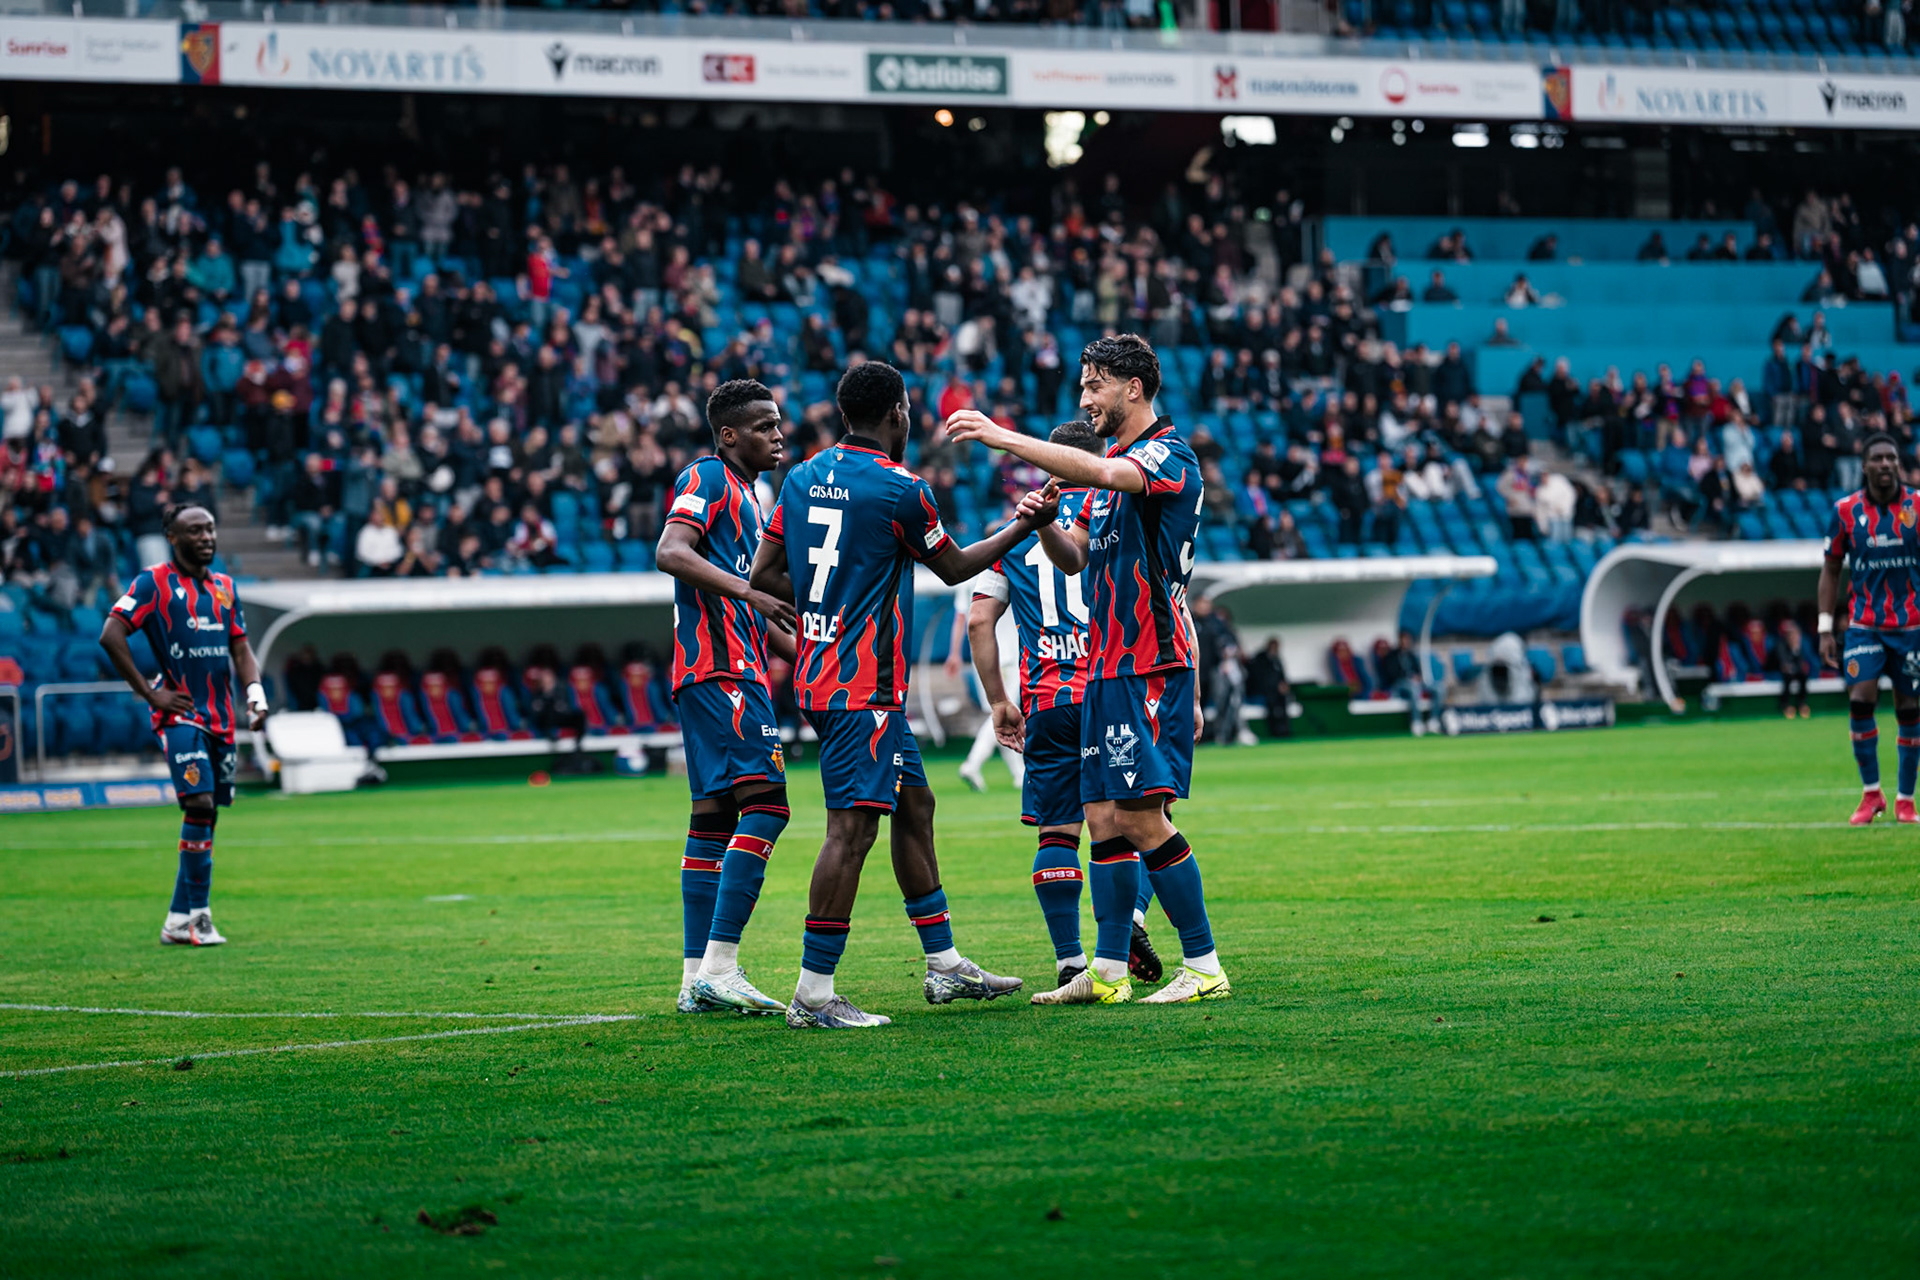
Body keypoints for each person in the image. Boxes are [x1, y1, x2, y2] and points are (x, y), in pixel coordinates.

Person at [750, 360, 1037, 1030]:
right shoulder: (901, 489)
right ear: (897, 413)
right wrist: (1026, 521)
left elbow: (766, 575)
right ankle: (814, 995)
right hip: (863, 691)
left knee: (916, 804)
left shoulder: (801, 477)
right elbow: (957, 565)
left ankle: (943, 965)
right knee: (851, 831)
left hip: (827, 679)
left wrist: (825, 609)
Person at [949, 333, 1231, 1006]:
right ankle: (1105, 972)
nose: (1085, 399)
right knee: (1101, 816)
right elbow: (1075, 556)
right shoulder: (1114, 471)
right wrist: (1046, 522)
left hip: (1149, 661)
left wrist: (1000, 436)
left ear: (1133, 388)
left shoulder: (1164, 455)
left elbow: (1103, 475)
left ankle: (1204, 964)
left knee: (1139, 818)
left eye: (1094, 385)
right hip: (1106, 669)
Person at [966, 421, 1166, 991]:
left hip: (1048, 700)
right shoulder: (1120, 510)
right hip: (1113, 690)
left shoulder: (1013, 531)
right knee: (1144, 821)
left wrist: (999, 701)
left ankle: (1069, 961)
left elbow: (980, 619)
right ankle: (1124, 923)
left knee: (1057, 833)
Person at [654, 379, 801, 1016]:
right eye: (766, 426)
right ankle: (721, 964)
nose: (779, 435)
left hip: (728, 670)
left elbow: (744, 596)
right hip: (722, 675)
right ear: (729, 435)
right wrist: (751, 596)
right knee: (768, 807)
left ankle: (695, 981)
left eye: (779, 424)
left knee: (712, 821)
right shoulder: (708, 478)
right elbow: (671, 552)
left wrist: (806, 653)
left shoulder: (750, 494)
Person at [99, 505, 269, 947]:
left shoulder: (225, 587)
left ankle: (177, 919)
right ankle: (199, 917)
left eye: (210, 528)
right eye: (195, 531)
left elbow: (241, 647)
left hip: (221, 718)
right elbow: (111, 634)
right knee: (198, 802)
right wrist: (149, 692)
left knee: (207, 816)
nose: (206, 537)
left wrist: (255, 694)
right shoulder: (153, 582)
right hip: (178, 713)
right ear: (172, 538)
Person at [1818, 432, 1920, 826]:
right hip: (1865, 627)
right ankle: (1871, 793)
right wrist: (1826, 627)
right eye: (1877, 458)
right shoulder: (1845, 511)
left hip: (1911, 626)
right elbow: (1829, 569)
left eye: (1891, 458)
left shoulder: (1916, 506)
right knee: (1860, 699)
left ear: (1898, 464)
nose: (1885, 464)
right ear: (1864, 466)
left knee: (1909, 708)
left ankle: (1906, 800)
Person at [1772, 617, 1814, 720]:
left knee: (1803, 676)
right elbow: (1784, 663)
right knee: (1788, 677)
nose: (1794, 637)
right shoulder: (1780, 644)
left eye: (1796, 634)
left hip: (1794, 671)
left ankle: (1802, 704)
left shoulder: (1799, 645)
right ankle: (1785, 705)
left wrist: (1795, 648)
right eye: (1791, 634)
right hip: (1776, 671)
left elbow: (1801, 662)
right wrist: (1791, 667)